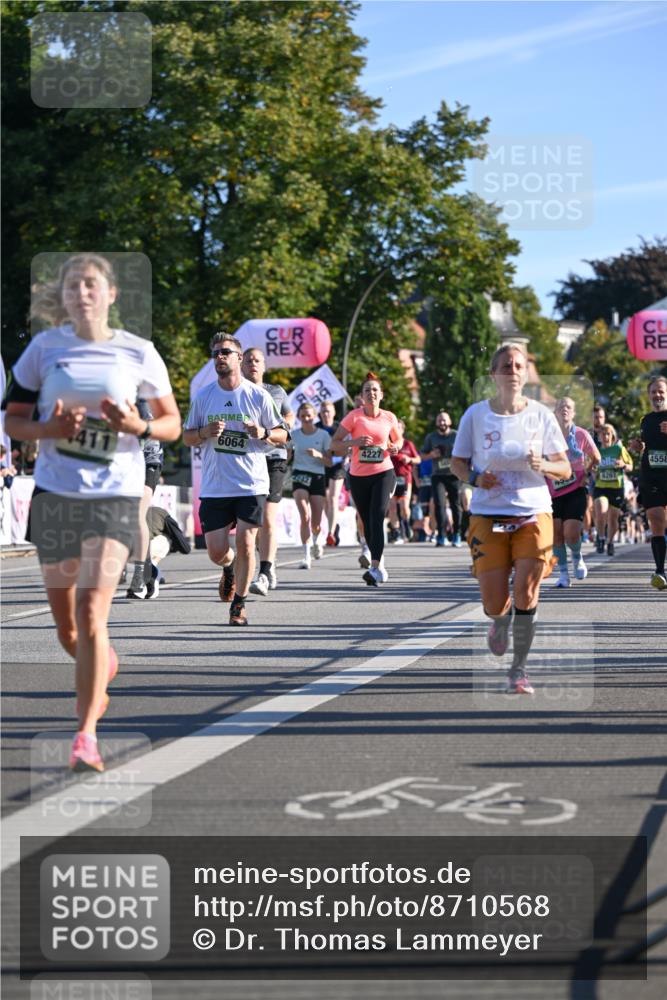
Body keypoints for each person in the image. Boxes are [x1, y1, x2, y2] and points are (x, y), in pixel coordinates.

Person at [3, 253, 181, 771]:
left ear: (109, 296)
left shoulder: (137, 352)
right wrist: (48, 431)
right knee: (68, 631)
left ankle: (85, 736)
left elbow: (171, 422)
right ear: (62, 299)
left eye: (91, 285)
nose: (81, 293)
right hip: (56, 495)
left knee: (90, 610)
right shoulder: (43, 349)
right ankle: (100, 663)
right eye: (72, 286)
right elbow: (13, 421)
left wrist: (138, 426)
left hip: (116, 495)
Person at [451, 342, 570, 695]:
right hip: (489, 514)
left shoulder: (541, 415)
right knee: (494, 601)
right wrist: (475, 478)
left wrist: (543, 465)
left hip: (532, 511)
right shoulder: (475, 415)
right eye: (506, 366)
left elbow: (564, 468)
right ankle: (499, 623)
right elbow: (457, 463)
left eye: (518, 365)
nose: (513, 371)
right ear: (494, 374)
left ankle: (519, 669)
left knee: (527, 591)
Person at [183, 333, 287, 626]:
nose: (219, 357)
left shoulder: (258, 396)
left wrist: (263, 434)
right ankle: (228, 569)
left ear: (238, 358)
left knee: (245, 541)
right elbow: (187, 437)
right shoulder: (204, 396)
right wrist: (204, 433)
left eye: (225, 352)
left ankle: (239, 605)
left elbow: (283, 435)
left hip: (251, 483)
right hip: (216, 485)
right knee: (217, 551)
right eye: (215, 352)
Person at [331, 372, 402, 586]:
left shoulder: (389, 417)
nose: (371, 393)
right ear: (361, 396)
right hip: (359, 476)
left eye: (374, 390)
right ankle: (378, 564)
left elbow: (398, 441)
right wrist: (355, 442)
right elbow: (334, 444)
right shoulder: (354, 417)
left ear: (381, 395)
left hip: (383, 472)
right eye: (367, 390)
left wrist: (395, 447)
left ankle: (375, 566)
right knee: (367, 523)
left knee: (377, 517)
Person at [241, 347, 294, 596]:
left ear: (264, 366)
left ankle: (265, 570)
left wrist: (286, 426)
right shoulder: (235, 392)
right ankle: (243, 566)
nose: (253, 363)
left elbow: (289, 414)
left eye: (257, 360)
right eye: (249, 360)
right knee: (250, 520)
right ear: (241, 365)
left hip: (274, 457)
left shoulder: (276, 391)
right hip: (246, 459)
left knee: (268, 517)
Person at [549, 397, 600, 587]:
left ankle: (577, 557)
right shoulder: (546, 436)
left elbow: (596, 457)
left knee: (571, 533)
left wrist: (587, 472)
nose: (564, 409)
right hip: (552, 491)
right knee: (556, 535)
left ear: (574, 412)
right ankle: (563, 574)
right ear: (554, 412)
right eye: (560, 406)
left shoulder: (581, 434)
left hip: (576, 489)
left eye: (568, 407)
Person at [629, 375, 667, 589]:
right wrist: (639, 447)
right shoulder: (646, 420)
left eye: (661, 391)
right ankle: (660, 571)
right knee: (655, 517)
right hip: (651, 475)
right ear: (648, 395)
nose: (657, 395)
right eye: (653, 391)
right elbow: (649, 446)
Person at [125, 398, 165, 599]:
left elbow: (149, 431)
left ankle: (139, 575)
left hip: (147, 460)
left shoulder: (139, 398)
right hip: (119, 466)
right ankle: (150, 570)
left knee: (137, 514)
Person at [288, 402, 332, 568]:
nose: (306, 418)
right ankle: (306, 555)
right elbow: (287, 457)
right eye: (303, 415)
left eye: (309, 415)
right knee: (304, 516)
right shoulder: (294, 435)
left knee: (316, 522)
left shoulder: (323, 436)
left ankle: (315, 542)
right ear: (298, 417)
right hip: (299, 475)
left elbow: (328, 462)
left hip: (318, 477)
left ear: (315, 416)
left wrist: (318, 455)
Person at [421, 410, 462, 546]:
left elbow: (467, 451)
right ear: (436, 423)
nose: (442, 423)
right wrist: (431, 454)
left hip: (454, 475)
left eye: (444, 420)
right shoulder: (431, 438)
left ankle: (456, 534)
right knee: (439, 505)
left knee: (456, 505)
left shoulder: (457, 435)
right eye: (439, 420)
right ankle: (441, 535)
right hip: (437, 475)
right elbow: (422, 456)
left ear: (449, 422)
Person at [593, 424, 633, 556]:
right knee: (601, 511)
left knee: (613, 518)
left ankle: (610, 542)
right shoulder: (597, 451)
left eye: (608, 434)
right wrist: (593, 471)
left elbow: (630, 467)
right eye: (602, 434)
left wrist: (623, 465)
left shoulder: (618, 449)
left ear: (612, 436)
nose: (605, 437)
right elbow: (590, 467)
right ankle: (601, 537)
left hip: (616, 488)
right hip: (601, 487)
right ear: (598, 437)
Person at [388, 420, 420, 543]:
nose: (396, 430)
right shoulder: (388, 444)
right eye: (394, 428)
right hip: (391, 478)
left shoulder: (408, 444)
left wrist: (409, 459)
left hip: (405, 479)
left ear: (403, 430)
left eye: (399, 428)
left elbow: (418, 459)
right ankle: (396, 533)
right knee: (392, 508)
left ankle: (406, 524)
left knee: (404, 507)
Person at [319, 401, 345, 546]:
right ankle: (334, 526)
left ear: (334, 412)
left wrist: (341, 457)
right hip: (321, 466)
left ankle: (330, 533)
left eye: (328, 411)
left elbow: (347, 446)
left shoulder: (339, 427)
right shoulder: (316, 427)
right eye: (323, 411)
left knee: (334, 498)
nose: (326, 414)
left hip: (337, 466)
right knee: (325, 500)